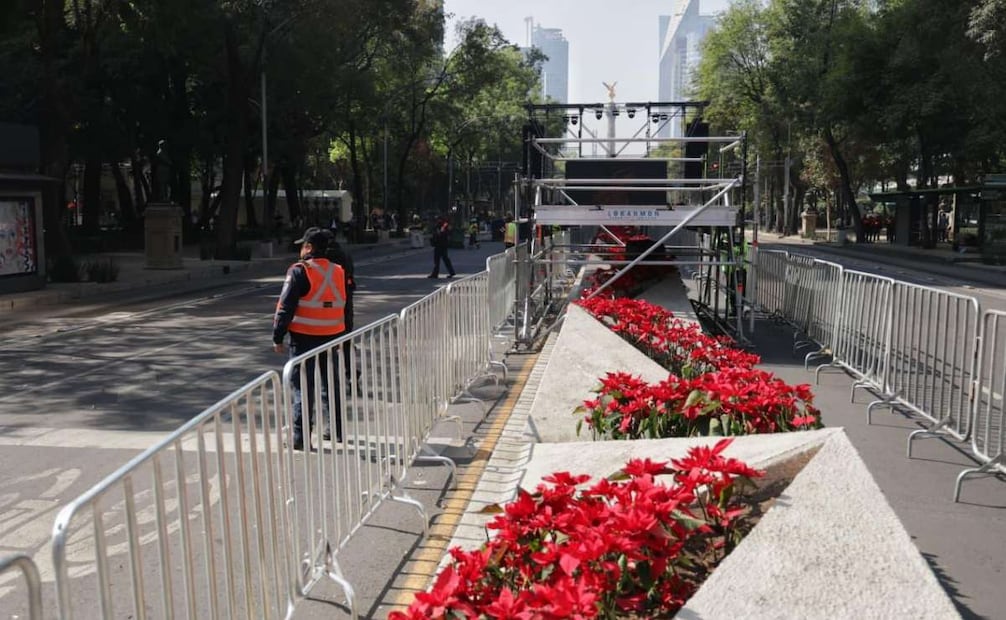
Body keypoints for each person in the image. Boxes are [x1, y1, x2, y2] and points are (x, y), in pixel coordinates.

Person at [273, 227, 348, 450]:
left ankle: (300, 437)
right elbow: (345, 303)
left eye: (303, 245)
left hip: (304, 338)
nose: (301, 249)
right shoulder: (338, 271)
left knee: (302, 388)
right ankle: (335, 430)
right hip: (332, 336)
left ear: (310, 247)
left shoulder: (299, 271)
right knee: (330, 384)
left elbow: (285, 307)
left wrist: (278, 337)